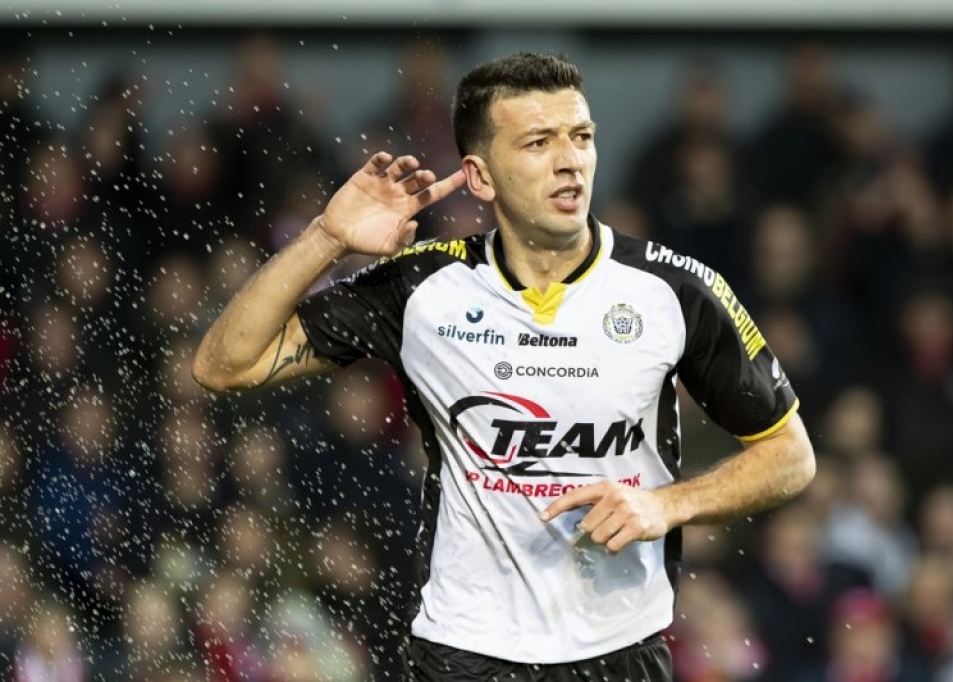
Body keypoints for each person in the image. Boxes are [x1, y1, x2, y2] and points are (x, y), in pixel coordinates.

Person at [192, 51, 816, 681]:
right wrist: (327, 238)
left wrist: (666, 506)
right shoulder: (423, 289)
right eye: (538, 143)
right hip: (461, 653)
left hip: (619, 652)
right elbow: (223, 366)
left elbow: (790, 457)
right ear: (480, 177)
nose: (570, 161)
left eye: (581, 137)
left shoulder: (674, 291)